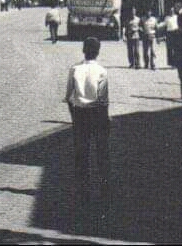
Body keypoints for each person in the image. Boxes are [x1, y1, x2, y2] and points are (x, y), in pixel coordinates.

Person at [64, 37, 110, 223]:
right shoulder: (102, 71)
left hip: (79, 115)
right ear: (98, 52)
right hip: (98, 114)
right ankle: (105, 191)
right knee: (102, 153)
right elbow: (103, 99)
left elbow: (68, 96)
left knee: (81, 154)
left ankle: (83, 193)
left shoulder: (74, 69)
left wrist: (74, 115)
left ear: (83, 50)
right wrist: (106, 119)